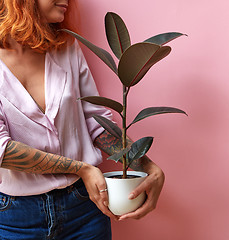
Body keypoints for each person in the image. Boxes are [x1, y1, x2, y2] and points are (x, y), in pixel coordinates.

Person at [0, 0, 165, 239]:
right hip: (16, 218)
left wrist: (146, 166)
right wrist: (81, 169)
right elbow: (2, 150)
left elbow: (95, 120)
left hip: (84, 208)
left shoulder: (66, 46)